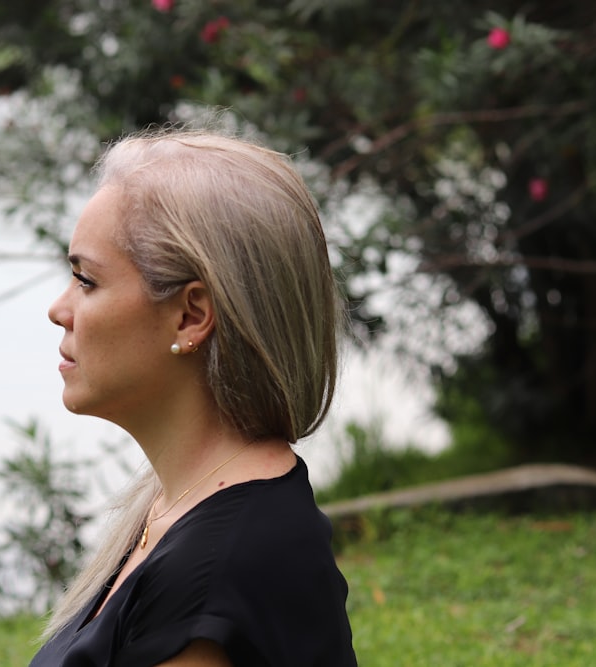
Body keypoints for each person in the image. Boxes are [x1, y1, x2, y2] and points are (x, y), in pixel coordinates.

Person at [32, 128, 357, 666]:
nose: (59, 309)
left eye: (85, 280)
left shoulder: (212, 578)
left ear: (190, 316)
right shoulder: (182, 511)